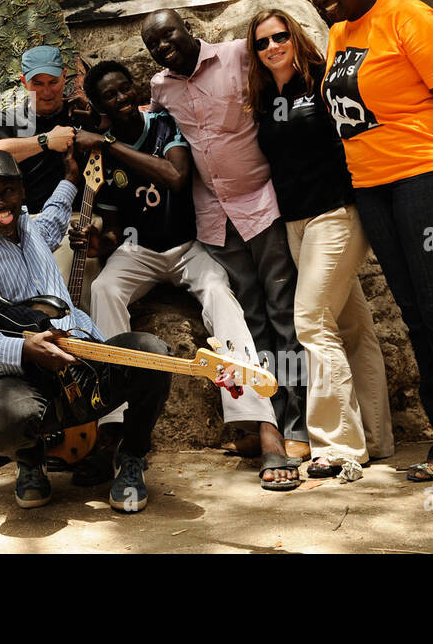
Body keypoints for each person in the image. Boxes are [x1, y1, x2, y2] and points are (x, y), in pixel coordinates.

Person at [291, 0, 433, 495]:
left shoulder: (407, 16)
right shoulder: (339, 35)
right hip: (374, 189)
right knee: (416, 315)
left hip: (425, 179)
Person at [73, 61, 295, 489]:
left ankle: (262, 425)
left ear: (134, 88)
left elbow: (176, 177)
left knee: (218, 293)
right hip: (139, 250)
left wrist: (107, 142)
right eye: (109, 97)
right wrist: (98, 243)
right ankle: (114, 424)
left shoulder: (161, 123)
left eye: (124, 90)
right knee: (102, 289)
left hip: (190, 245)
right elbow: (116, 229)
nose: (119, 100)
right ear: (100, 105)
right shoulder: (103, 153)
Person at [0, 148, 172, 512]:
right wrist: (22, 350)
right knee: (1, 420)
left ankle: (131, 456)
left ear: (23, 190)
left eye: (8, 191)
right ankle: (30, 461)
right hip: (24, 373)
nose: (0, 203)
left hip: (85, 359)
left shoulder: (28, 223)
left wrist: (71, 180)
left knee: (154, 355)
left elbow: (54, 221)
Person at [140, 9, 310, 481]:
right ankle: (265, 424)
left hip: (262, 206)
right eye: (152, 43)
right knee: (250, 320)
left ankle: (298, 426)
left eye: (168, 34)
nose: (162, 46)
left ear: (188, 29)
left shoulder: (238, 55)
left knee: (284, 314)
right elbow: (151, 133)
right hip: (214, 218)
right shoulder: (161, 88)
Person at [246, 8, 394, 481]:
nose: (272, 47)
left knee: (309, 319)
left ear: (295, 37)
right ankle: (376, 437)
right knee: (351, 325)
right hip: (296, 224)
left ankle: (337, 445)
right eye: (262, 42)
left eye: (279, 36)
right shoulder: (264, 98)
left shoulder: (326, 81)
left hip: (338, 213)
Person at [0, 46, 97, 281]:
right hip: (27, 220)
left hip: (76, 218)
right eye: (38, 83)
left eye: (53, 82)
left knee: (60, 276)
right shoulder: (10, 119)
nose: (47, 92)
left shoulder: (80, 112)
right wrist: (46, 141)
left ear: (65, 76)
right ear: (24, 82)